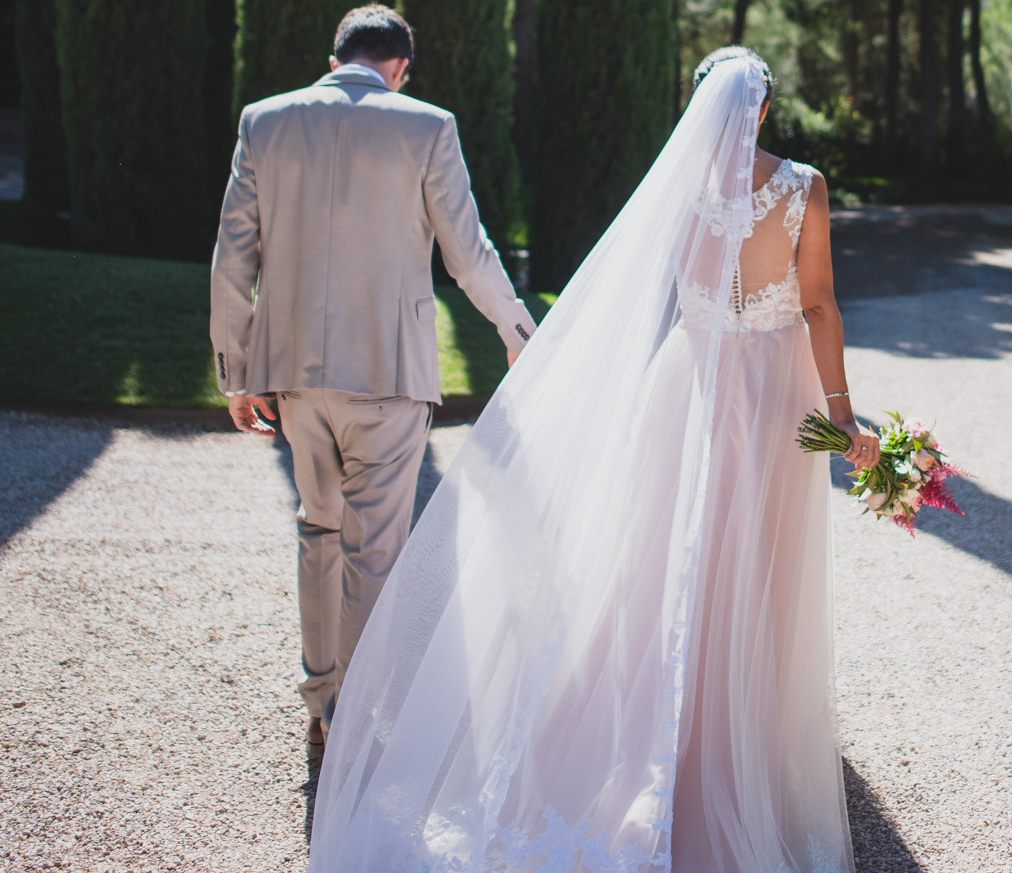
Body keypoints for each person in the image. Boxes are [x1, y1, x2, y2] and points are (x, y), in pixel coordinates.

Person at [306, 47, 880, 873]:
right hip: (771, 397)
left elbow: (648, 301)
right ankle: (734, 752)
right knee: (753, 566)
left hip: (685, 384)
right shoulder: (802, 186)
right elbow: (818, 303)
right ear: (760, 110)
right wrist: (841, 414)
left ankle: (629, 743)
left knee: (653, 567)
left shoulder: (675, 191)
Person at [208, 4, 534, 755]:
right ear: (400, 70)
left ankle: (322, 700)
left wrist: (235, 369)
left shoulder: (265, 120)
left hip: (291, 374)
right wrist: (519, 331)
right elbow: (469, 253)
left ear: (336, 60)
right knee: (373, 552)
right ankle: (354, 723)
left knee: (317, 529)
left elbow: (232, 256)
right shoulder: (428, 126)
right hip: (387, 376)